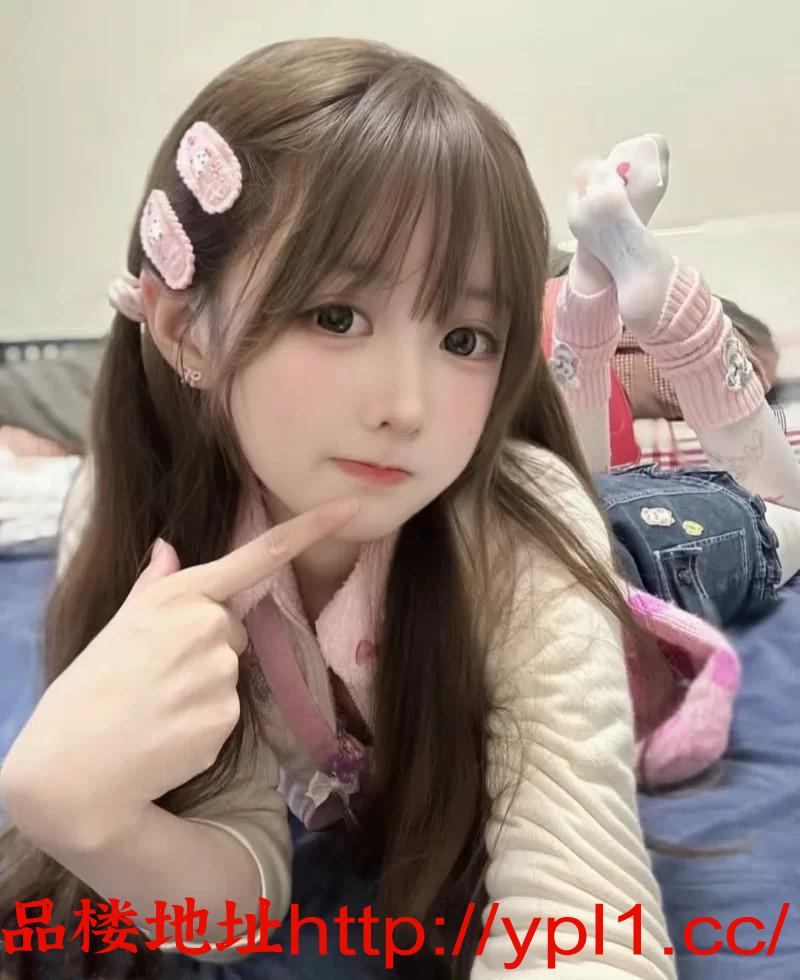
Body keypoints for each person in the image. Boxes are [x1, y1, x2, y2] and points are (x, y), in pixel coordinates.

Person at [1, 38, 684, 980]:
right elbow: (236, 891)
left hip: (643, 558)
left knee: (743, 531)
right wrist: (86, 817)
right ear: (181, 328)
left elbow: (587, 918)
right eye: (336, 316)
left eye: (464, 337)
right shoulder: (147, 531)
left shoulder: (520, 531)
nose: (405, 406)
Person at [548, 134, 800, 628]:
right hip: (613, 552)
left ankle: (590, 297)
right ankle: (595, 298)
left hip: (594, 541)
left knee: (579, 498)